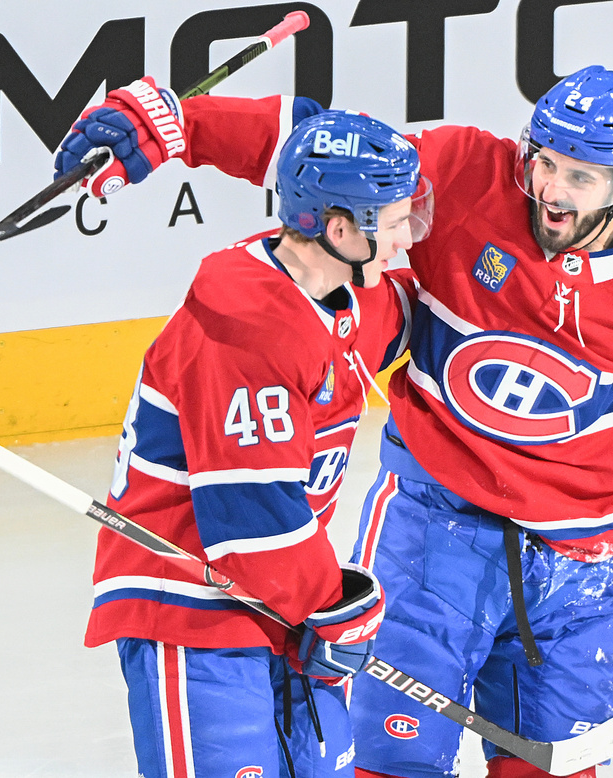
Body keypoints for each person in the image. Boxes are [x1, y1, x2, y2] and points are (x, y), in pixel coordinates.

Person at [56, 66, 613, 778]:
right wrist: (178, 127)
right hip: (427, 528)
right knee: (384, 760)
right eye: (544, 162)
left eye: (581, 178)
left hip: (573, 557)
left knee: (556, 760)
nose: (552, 189)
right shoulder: (464, 172)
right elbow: (329, 152)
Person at [61, 84, 435, 778]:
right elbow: (252, 524)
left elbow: (305, 132)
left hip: (279, 602)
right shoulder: (247, 330)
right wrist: (332, 608)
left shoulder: (352, 292)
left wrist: (188, 122)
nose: (408, 234)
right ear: (340, 230)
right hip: (190, 606)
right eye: (393, 219)